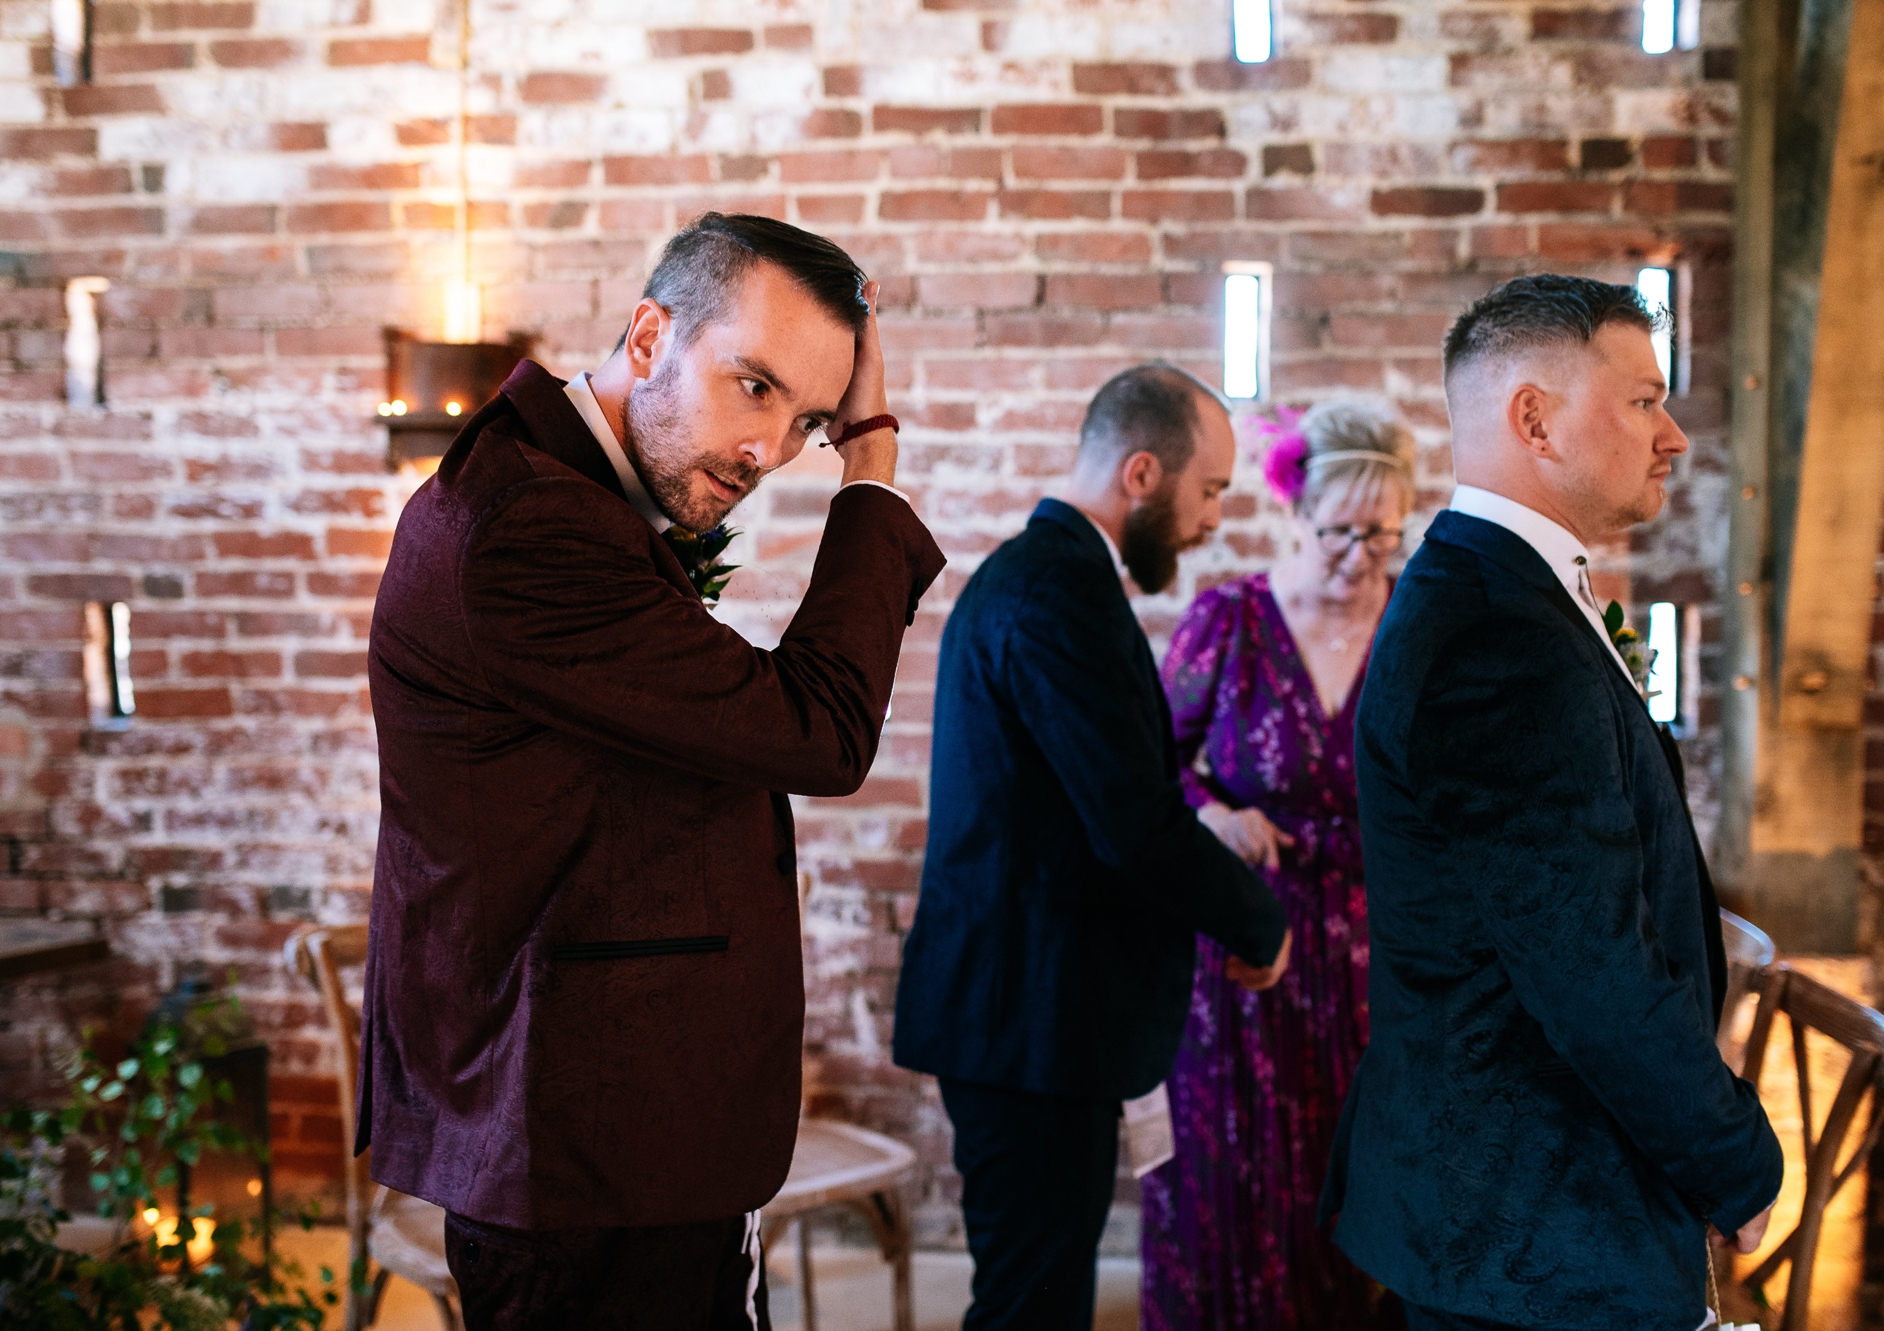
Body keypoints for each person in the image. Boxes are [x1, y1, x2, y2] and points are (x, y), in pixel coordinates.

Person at [360, 212, 945, 1331]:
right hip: (586, 1140)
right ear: (645, 339)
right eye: (754, 386)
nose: (766, 452)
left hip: (615, 1129)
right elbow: (818, 729)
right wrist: (869, 468)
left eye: (809, 420)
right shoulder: (529, 527)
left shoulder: (563, 493)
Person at [1320, 274, 1783, 1331]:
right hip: (1531, 1219)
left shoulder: (1498, 595)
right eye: (1640, 400)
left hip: (1519, 1205)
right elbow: (1589, 966)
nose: (1669, 435)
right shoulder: (1496, 635)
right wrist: (1734, 1159)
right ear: (1533, 418)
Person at [893, 364, 1294, 1331]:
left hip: (1036, 1012)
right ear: (1143, 473)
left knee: (1039, 1293)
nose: (1210, 523)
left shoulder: (1050, 577)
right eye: (1208, 493)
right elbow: (1132, 821)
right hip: (1027, 1018)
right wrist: (1256, 919)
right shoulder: (1055, 590)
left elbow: (1091, 806)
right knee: (1032, 1307)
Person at [1141, 396, 1415, 1331]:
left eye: (1384, 536)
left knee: (1357, 1192)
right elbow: (1150, 770)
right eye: (1343, 532)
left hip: (1383, 962)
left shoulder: (1415, 626)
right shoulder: (1231, 620)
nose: (1362, 557)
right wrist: (1217, 812)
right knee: (1235, 1181)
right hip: (1247, 956)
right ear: (1297, 513)